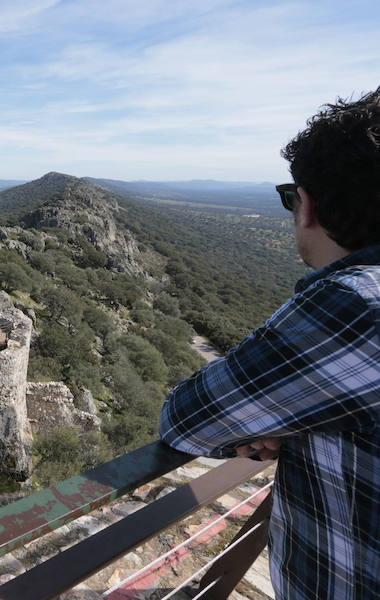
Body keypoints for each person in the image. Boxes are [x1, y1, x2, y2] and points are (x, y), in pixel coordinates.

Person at [160, 87, 380, 600]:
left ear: (307, 205)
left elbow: (187, 421)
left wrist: (279, 421)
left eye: (289, 197)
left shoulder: (355, 306)